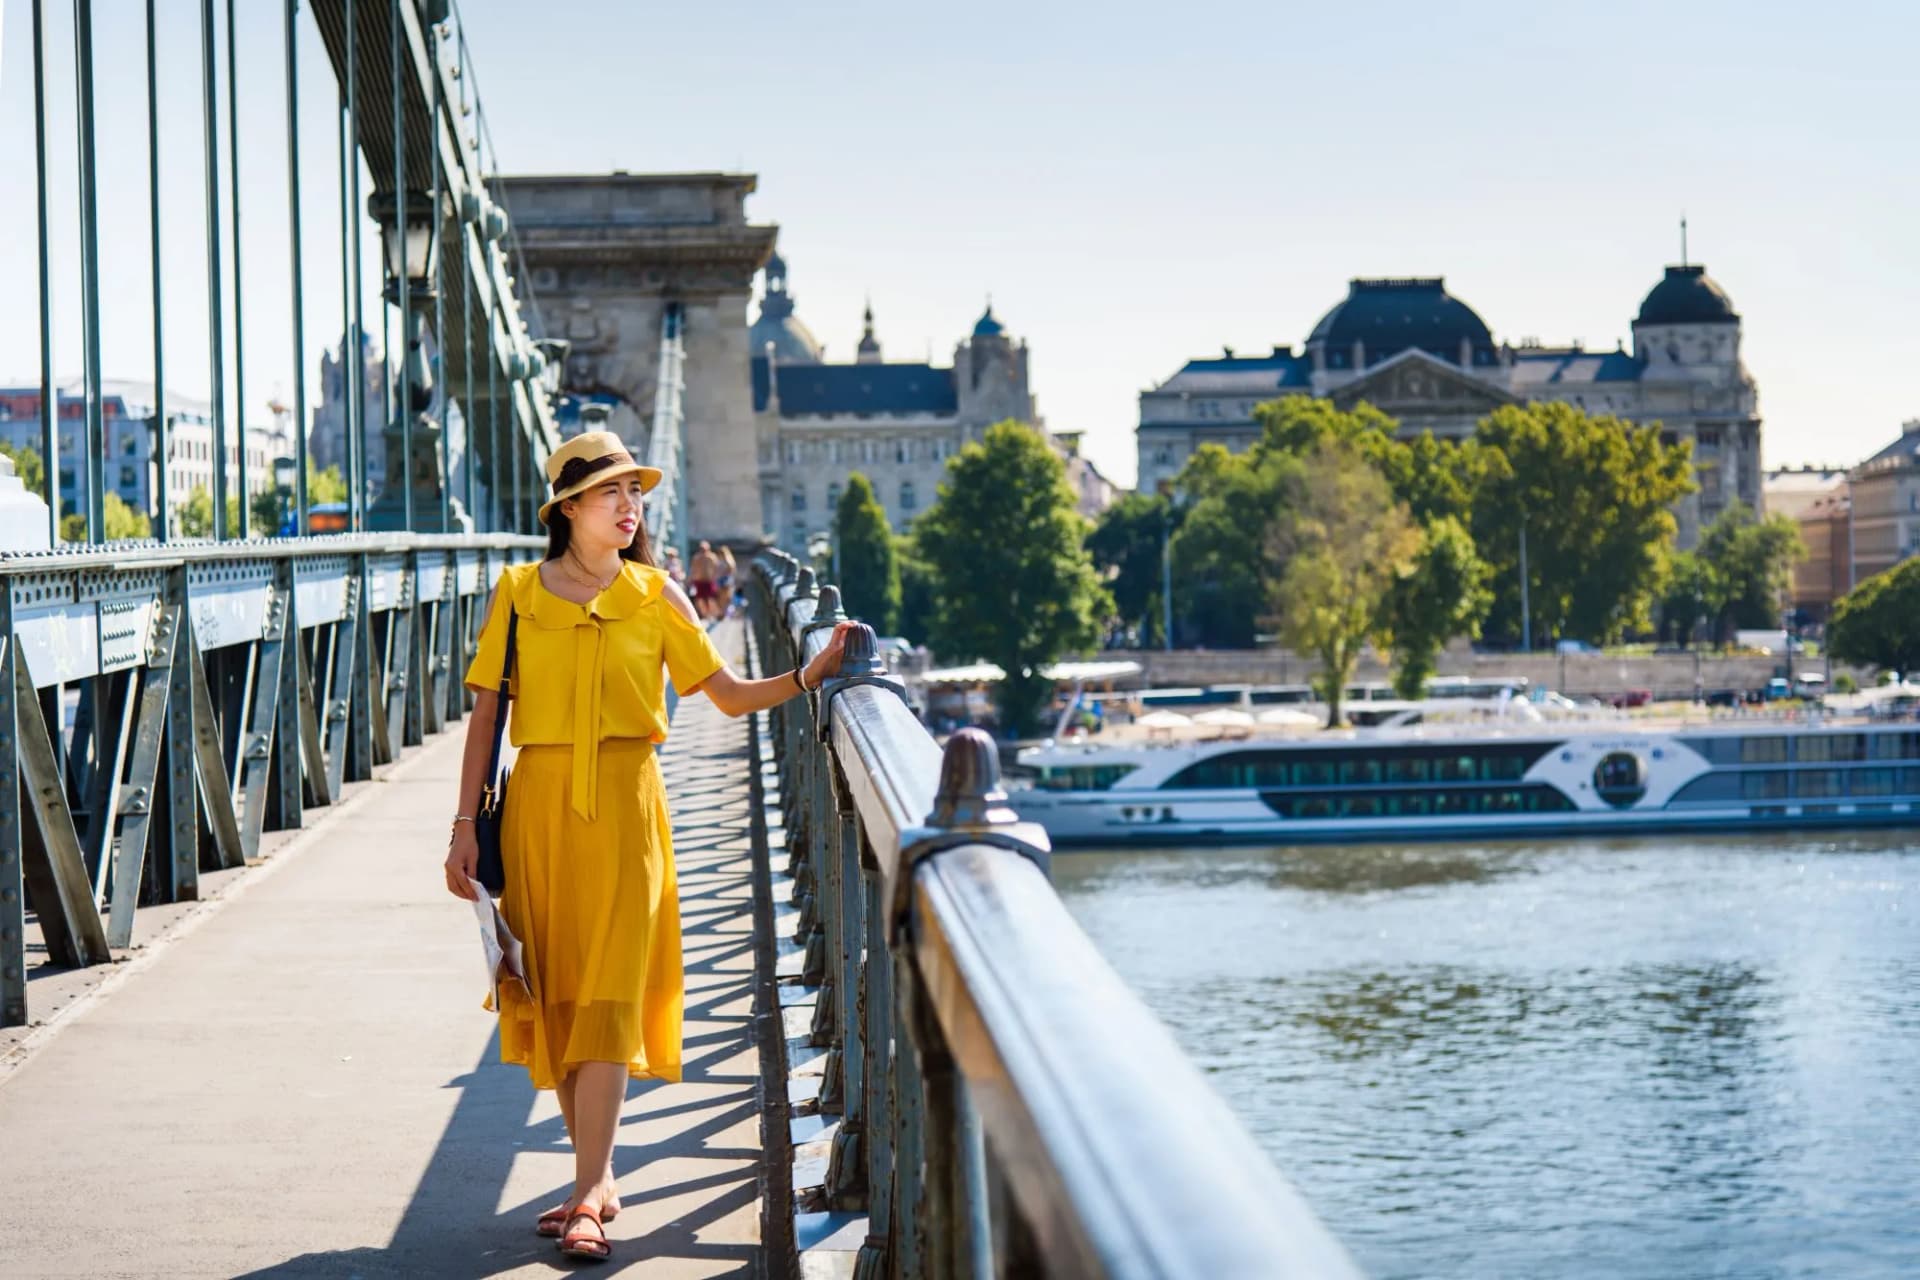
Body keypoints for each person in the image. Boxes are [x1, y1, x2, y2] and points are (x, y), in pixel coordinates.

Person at [444, 431, 852, 1263]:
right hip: (538, 812)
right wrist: (461, 830)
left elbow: (729, 697)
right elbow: (486, 716)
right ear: (568, 510)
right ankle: (596, 1178)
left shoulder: (659, 595)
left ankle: (589, 1190)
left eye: (637, 494)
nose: (631, 509)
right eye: (611, 495)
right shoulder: (517, 594)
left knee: (611, 993)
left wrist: (811, 675)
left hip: (631, 812)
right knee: (557, 994)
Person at [687, 540, 721, 620]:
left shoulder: (711, 557)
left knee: (710, 598)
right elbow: (693, 569)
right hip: (699, 580)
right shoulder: (697, 557)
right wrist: (691, 579)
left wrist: (715, 578)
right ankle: (704, 613)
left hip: (708, 580)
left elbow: (716, 568)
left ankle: (713, 613)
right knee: (699, 598)